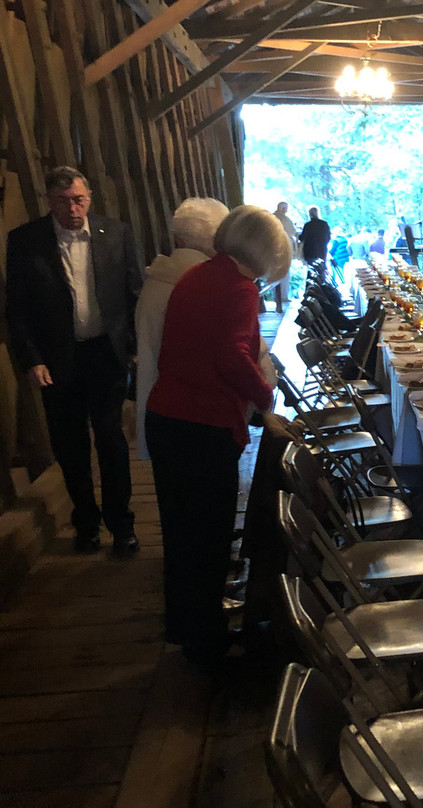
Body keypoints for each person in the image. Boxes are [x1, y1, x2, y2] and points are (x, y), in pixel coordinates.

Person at [145, 206, 290, 665]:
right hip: (199, 428)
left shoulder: (199, 273)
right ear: (265, 250)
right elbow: (231, 356)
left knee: (183, 537)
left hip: (170, 420)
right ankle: (206, 646)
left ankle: (191, 632)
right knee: (207, 538)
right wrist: (266, 400)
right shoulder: (240, 288)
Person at [5, 166, 143, 555]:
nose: (73, 207)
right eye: (64, 201)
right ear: (50, 201)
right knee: (70, 445)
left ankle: (122, 525)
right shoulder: (26, 240)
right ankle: (87, 522)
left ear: (90, 197)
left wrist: (133, 346)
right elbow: (17, 309)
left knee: (111, 440)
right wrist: (32, 360)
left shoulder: (116, 233)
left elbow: (135, 292)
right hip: (57, 358)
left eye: (79, 199)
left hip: (105, 353)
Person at [134, 197, 229, 462]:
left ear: (177, 238)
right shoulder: (210, 285)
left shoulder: (155, 282)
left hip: (160, 412)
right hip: (205, 415)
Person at [298, 205, 331, 281]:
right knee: (321, 270)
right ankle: (322, 286)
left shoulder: (308, 225)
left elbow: (302, 238)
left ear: (309, 214)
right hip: (322, 251)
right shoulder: (324, 224)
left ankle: (312, 288)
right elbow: (328, 237)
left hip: (310, 251)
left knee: (311, 270)